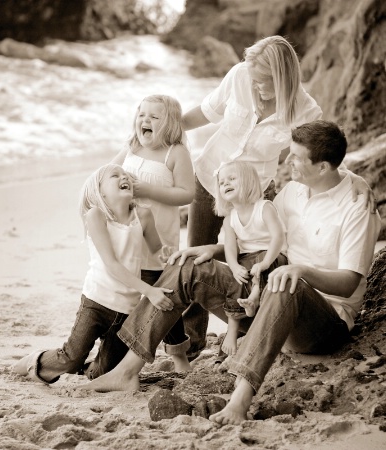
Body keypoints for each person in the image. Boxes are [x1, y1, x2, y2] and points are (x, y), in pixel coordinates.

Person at [79, 120, 380, 432]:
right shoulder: (293, 192)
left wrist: (301, 270)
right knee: (188, 265)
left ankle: (240, 399)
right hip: (265, 299)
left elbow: (349, 283)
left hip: (322, 322)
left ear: (323, 167)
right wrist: (213, 250)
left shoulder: (356, 206)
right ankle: (128, 369)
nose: (287, 162)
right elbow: (256, 240)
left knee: (289, 283)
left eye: (296, 158)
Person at [181, 35, 375, 361]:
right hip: (210, 178)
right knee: (197, 254)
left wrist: (354, 179)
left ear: (283, 76)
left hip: (254, 195)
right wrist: (170, 131)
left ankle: (249, 325)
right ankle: (192, 343)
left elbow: (323, 152)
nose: (256, 86)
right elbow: (206, 111)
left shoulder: (306, 109)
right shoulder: (240, 76)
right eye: (253, 79)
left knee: (252, 263)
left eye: (263, 81)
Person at [12, 164, 177, 384]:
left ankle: (89, 368)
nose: (123, 176)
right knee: (71, 358)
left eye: (125, 175)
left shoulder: (143, 215)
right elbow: (112, 264)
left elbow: (157, 250)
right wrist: (149, 291)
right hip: (97, 301)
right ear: (100, 191)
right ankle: (36, 359)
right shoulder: (97, 215)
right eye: (114, 175)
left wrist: (165, 253)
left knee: (103, 374)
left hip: (127, 309)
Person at [112, 94, 195, 371]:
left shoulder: (176, 152)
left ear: (169, 123)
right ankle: (118, 351)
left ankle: (178, 355)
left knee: (162, 296)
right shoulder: (132, 146)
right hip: (128, 236)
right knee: (127, 293)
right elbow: (108, 174)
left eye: (154, 117)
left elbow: (186, 194)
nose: (145, 120)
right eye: (141, 115)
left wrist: (147, 190)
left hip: (160, 240)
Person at [214, 161, 286, 356]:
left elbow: (278, 237)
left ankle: (254, 298)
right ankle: (232, 328)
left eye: (231, 178)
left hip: (272, 254)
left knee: (261, 268)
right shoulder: (230, 218)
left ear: (247, 181)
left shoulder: (264, 207)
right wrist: (234, 265)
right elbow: (230, 246)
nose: (225, 184)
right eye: (221, 182)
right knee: (236, 278)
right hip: (247, 257)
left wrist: (265, 262)